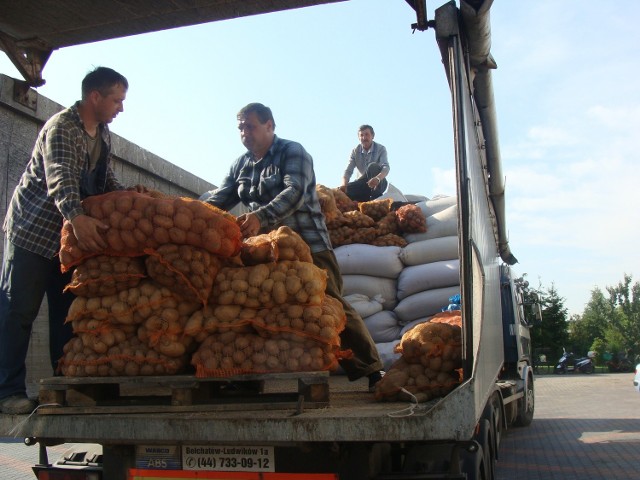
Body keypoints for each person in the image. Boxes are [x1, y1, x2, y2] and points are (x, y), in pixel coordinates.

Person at [200, 103, 384, 391]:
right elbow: (219, 199)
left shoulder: (292, 152)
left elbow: (295, 191)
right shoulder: (241, 165)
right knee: (261, 310)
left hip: (309, 247)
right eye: (240, 128)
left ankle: (372, 371)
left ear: (270, 125)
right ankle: (251, 378)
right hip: (267, 254)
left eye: (251, 126)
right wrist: (186, 212)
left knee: (330, 304)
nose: (245, 133)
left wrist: (260, 217)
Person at [0, 66, 138, 414]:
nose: (120, 108)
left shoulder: (102, 135)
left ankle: (66, 387)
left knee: (67, 317)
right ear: (95, 97)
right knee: (18, 312)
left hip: (67, 244)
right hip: (34, 234)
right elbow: (60, 179)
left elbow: (106, 182)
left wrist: (136, 202)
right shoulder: (62, 128)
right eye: (117, 100)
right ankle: (6, 393)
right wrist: (77, 218)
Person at [341, 124, 390, 202]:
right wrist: (344, 186)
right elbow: (348, 171)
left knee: (373, 166)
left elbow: (386, 167)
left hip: (379, 182)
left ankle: (375, 198)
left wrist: (377, 178)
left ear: (372, 136)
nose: (364, 138)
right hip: (363, 184)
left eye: (367, 135)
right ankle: (360, 199)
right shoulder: (355, 151)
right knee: (344, 189)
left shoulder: (381, 149)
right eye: (361, 135)